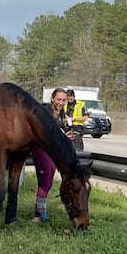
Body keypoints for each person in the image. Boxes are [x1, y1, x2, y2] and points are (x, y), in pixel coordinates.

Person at [32, 87, 75, 222]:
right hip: (41, 149)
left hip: (53, 151)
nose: (61, 103)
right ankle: (39, 216)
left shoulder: (62, 113)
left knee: (49, 182)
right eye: (58, 99)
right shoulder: (45, 111)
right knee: (44, 182)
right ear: (52, 98)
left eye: (64, 100)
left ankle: (40, 210)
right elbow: (45, 130)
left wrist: (66, 135)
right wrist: (62, 135)